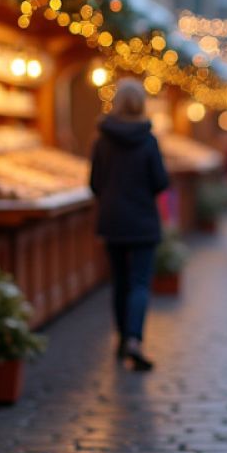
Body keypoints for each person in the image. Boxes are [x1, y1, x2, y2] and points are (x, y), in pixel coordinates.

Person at [90, 78, 169, 372]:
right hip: (143, 220)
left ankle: (122, 338)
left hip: (112, 220)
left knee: (120, 282)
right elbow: (160, 181)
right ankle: (134, 339)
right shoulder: (148, 141)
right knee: (139, 283)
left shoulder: (102, 141)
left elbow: (94, 183)